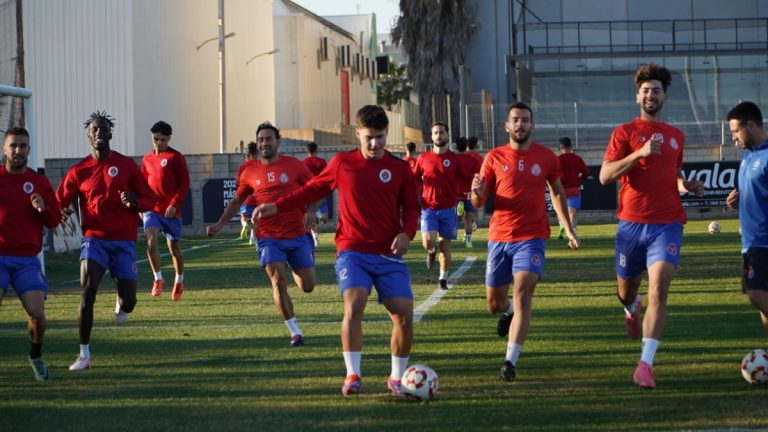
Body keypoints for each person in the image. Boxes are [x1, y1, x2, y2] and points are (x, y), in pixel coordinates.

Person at [253, 105, 420, 397]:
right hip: (352, 251)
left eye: (380, 137)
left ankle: (396, 378)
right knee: (354, 305)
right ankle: (353, 374)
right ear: (358, 133)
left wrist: (408, 233)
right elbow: (311, 190)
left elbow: (413, 208)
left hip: (388, 254)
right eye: (369, 137)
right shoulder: (343, 163)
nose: (375, 144)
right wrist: (276, 206)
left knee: (404, 314)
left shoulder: (400, 169)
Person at [599, 63, 704, 389]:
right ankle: (632, 309)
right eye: (645, 90)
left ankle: (645, 364)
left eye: (655, 90)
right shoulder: (624, 133)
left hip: (668, 224)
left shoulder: (676, 136)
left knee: (659, 289)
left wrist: (687, 185)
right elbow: (605, 176)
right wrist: (639, 153)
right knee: (625, 292)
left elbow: (671, 176)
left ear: (665, 97)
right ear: (637, 97)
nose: (650, 95)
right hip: (631, 225)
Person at [470, 102, 579, 382]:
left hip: (531, 238)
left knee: (522, 292)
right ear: (507, 126)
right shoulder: (493, 157)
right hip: (499, 237)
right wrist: (476, 193)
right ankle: (507, 313)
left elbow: (557, 193)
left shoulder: (546, 157)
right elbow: (479, 200)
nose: (520, 125)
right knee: (494, 304)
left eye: (525, 120)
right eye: (515, 120)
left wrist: (567, 228)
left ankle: (510, 360)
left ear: (533, 126)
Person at [56, 111, 156, 370]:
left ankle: (121, 303)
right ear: (88, 136)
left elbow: (149, 199)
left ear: (111, 133)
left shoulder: (126, 166)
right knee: (87, 290)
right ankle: (84, 355)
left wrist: (135, 202)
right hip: (94, 240)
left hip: (122, 242)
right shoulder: (78, 171)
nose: (98, 133)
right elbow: (59, 204)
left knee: (130, 302)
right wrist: (60, 212)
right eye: (94, 130)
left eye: (103, 129)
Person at [206, 122, 319, 347]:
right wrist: (219, 224)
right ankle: (294, 331)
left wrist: (312, 211)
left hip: (297, 233)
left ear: (278, 142)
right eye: (260, 140)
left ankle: (294, 266)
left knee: (307, 286)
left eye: (268, 139)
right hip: (268, 236)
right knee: (278, 281)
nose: (264, 143)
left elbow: (317, 190)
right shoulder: (250, 171)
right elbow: (237, 200)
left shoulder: (295, 166)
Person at [0, 127, 60, 381]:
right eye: (13, 145)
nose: (18, 150)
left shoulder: (40, 183)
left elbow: (55, 220)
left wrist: (42, 209)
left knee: (37, 314)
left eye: (23, 146)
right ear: (4, 149)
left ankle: (35, 355)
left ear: (29, 150)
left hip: (26, 260)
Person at [725, 102, 768, 341]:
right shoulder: (748, 156)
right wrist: (736, 200)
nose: (733, 137)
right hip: (750, 241)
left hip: (764, 241)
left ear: (750, 125)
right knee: (763, 301)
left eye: (735, 131)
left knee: (756, 294)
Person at [413, 122, 473, 289]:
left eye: (441, 132)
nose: (439, 135)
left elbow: (465, 178)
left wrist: (470, 192)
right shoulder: (423, 158)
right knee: (428, 242)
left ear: (447, 136)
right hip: (429, 209)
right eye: (435, 133)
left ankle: (442, 280)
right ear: (431, 137)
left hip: (448, 210)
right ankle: (431, 251)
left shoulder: (455, 159)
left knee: (445, 247)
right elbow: (416, 178)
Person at [141, 121, 190, 301]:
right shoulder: (146, 159)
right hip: (152, 210)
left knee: (174, 248)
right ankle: (158, 279)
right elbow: (143, 184)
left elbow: (185, 184)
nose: (159, 143)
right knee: (151, 242)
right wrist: (142, 205)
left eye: (162, 139)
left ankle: (179, 280)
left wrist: (174, 204)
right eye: (155, 139)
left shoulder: (175, 158)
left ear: (169, 139)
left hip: (171, 212)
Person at [556, 137, 590, 240]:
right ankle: (573, 231)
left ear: (561, 147)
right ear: (571, 146)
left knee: (560, 210)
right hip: (574, 189)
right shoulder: (577, 158)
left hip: (561, 189)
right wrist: (579, 178)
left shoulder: (558, 159)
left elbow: (553, 175)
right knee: (572, 211)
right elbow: (587, 173)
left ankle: (562, 226)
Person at [455, 136, 481, 248]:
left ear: (456, 146)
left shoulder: (453, 159)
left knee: (455, 216)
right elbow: (478, 175)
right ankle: (468, 241)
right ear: (466, 146)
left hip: (456, 192)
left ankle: (451, 234)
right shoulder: (473, 159)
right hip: (468, 192)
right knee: (468, 218)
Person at [303, 142, 328, 246]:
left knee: (311, 216)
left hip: (308, 192)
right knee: (325, 218)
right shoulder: (322, 162)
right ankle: (315, 239)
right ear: (316, 150)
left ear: (307, 151)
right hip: (320, 191)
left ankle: (316, 219)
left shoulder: (303, 163)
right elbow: (327, 174)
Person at [238, 142, 259, 245]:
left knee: (244, 215)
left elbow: (237, 182)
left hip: (246, 196)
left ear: (248, 154)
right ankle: (252, 239)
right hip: (258, 197)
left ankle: (245, 224)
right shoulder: (260, 164)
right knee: (255, 218)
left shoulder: (243, 166)